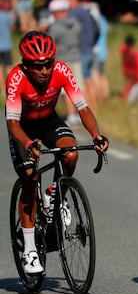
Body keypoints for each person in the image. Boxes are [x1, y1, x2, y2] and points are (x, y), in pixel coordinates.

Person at [5, 31, 109, 275]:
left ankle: (55, 194)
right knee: (30, 179)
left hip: (49, 121)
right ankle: (30, 248)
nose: (44, 71)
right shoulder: (16, 78)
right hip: (23, 127)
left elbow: (82, 108)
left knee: (70, 153)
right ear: (26, 65)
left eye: (48, 64)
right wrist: (28, 143)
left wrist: (96, 135)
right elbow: (12, 124)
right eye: (38, 66)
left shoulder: (62, 71)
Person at [47, 0, 83, 126]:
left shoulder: (55, 27)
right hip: (76, 58)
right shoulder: (76, 24)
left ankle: (71, 115)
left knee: (65, 90)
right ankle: (78, 113)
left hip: (62, 61)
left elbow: (49, 44)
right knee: (76, 88)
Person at [64, 0, 98, 114]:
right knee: (88, 82)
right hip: (89, 50)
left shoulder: (74, 13)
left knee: (81, 85)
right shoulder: (85, 11)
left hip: (81, 52)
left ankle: (86, 113)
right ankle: (94, 111)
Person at [0, 0, 13, 94]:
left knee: (0, 68)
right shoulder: (6, 15)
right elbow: (11, 27)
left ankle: (2, 89)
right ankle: (9, 88)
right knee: (9, 67)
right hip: (7, 45)